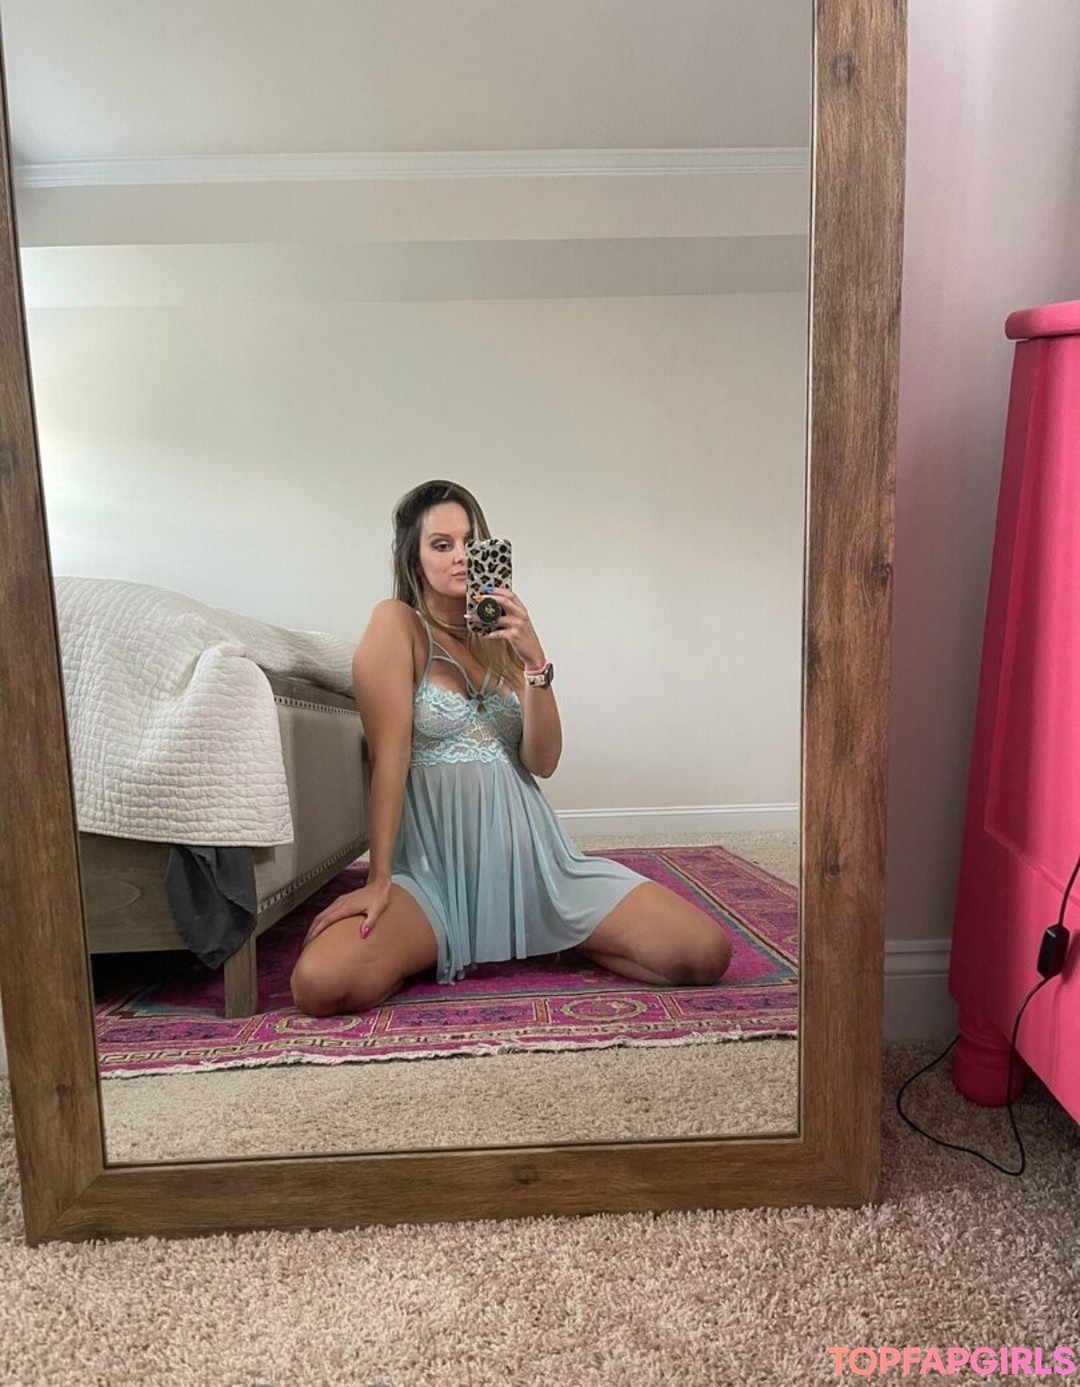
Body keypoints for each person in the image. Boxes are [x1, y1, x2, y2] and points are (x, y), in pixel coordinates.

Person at [290, 480, 732, 1016]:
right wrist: (379, 878)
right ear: (413, 558)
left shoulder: (501, 640)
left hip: (538, 871)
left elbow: (542, 762)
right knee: (320, 984)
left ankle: (549, 929)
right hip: (434, 880)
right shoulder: (397, 624)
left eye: (469, 542)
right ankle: (447, 939)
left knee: (703, 953)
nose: (460, 556)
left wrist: (534, 660)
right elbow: (389, 758)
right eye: (442, 544)